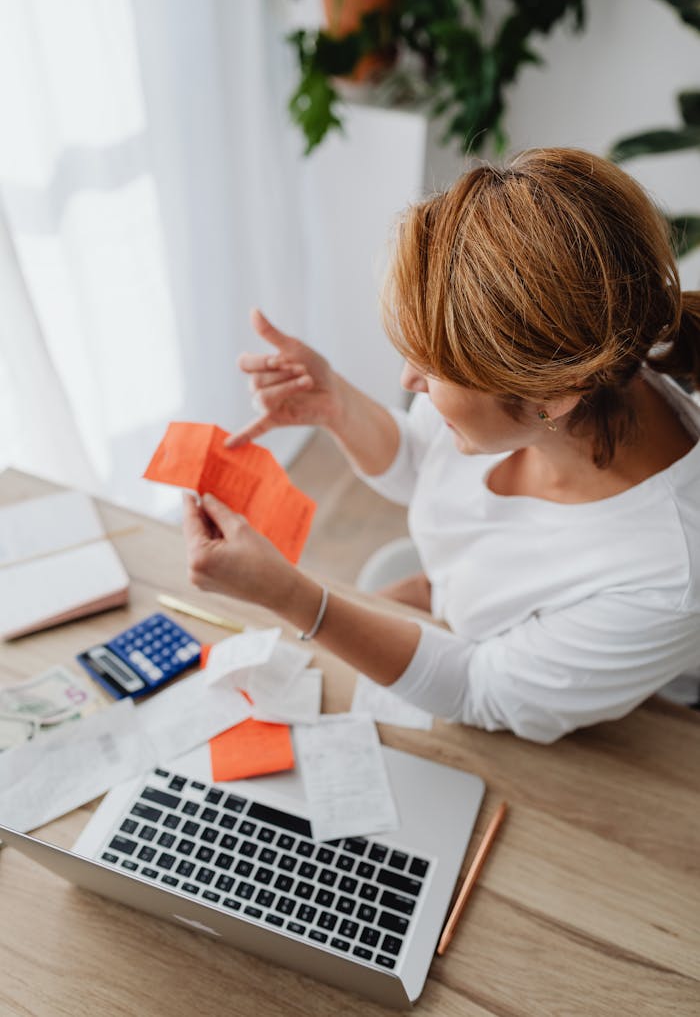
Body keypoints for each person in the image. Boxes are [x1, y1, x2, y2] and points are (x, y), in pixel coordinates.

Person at [182, 147, 700, 743]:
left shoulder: (669, 570)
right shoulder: (541, 382)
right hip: (463, 618)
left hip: (621, 739)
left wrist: (290, 596)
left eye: (431, 367)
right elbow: (425, 465)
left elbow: (480, 691)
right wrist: (336, 405)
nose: (408, 381)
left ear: (551, 397)